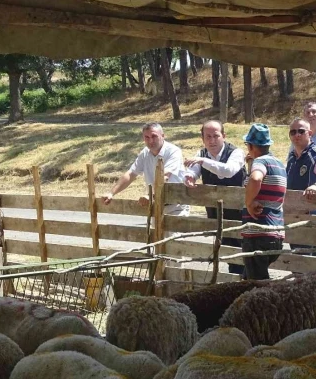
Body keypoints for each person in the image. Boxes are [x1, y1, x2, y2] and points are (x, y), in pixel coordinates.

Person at [184, 120, 247, 275]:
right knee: (227, 252)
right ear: (203, 139)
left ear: (223, 136)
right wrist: (190, 177)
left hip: (240, 212)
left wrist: (203, 161)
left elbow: (228, 171)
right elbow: (192, 171)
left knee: (245, 252)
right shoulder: (201, 154)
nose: (212, 140)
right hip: (217, 214)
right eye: (208, 137)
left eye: (216, 136)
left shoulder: (236, 152)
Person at [102, 123, 189, 217]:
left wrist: (150, 196)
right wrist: (111, 193)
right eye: (147, 137)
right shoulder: (145, 153)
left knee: (172, 232)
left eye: (154, 136)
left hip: (175, 206)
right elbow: (131, 174)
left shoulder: (173, 151)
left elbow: (164, 177)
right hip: (156, 205)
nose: (151, 140)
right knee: (152, 232)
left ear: (162, 136)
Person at [241, 123, 286, 280]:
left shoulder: (260, 162)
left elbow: (256, 178)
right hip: (275, 233)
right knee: (247, 280)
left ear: (251, 146)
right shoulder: (278, 163)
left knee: (257, 285)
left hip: (258, 234)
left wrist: (248, 202)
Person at [286, 118, 316, 257]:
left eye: (301, 131)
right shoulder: (291, 157)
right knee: (298, 256)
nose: (297, 135)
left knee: (315, 256)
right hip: (294, 214)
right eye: (293, 132)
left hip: (311, 214)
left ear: (310, 133)